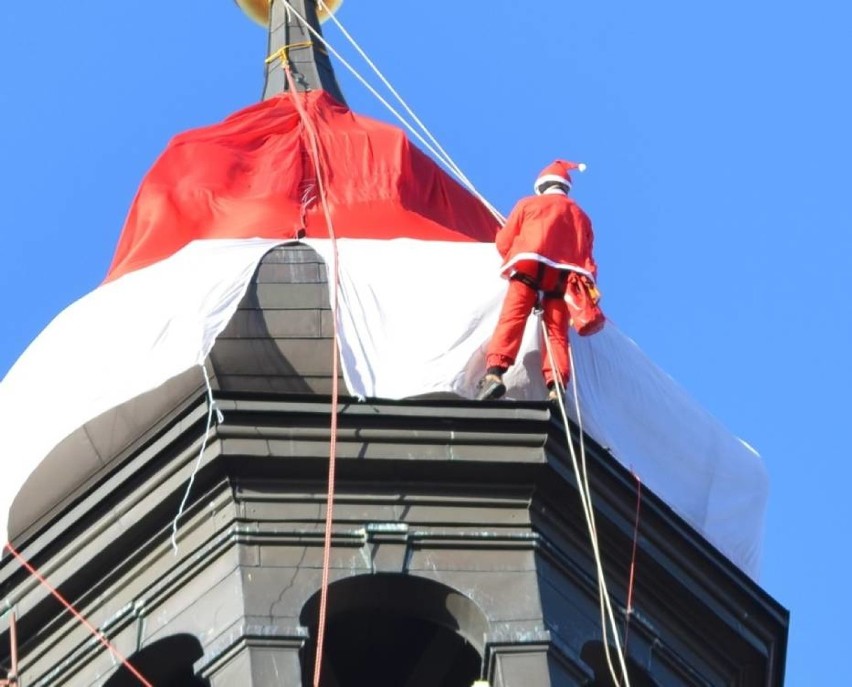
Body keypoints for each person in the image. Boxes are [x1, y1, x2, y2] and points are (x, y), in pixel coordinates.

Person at [477, 160, 603, 401]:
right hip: (561, 282)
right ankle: (556, 388)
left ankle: (494, 374)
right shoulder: (582, 217)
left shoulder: (528, 204)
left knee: (512, 318)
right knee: (557, 333)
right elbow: (588, 258)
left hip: (527, 272)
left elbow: (504, 242)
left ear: (542, 186)